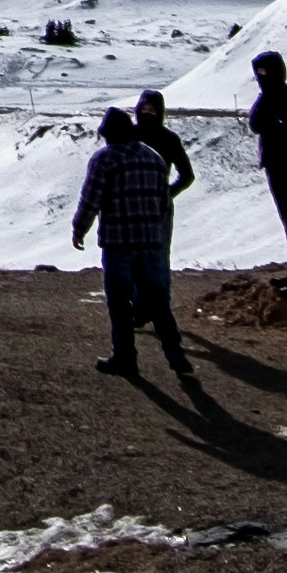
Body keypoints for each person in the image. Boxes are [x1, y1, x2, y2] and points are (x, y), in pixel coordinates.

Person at [70, 108, 191, 378]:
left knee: (119, 301)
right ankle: (176, 354)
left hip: (119, 242)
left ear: (109, 135)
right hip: (150, 242)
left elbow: (91, 199)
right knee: (158, 301)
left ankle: (125, 358)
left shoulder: (105, 160)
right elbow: (163, 201)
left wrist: (79, 229)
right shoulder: (154, 158)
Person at [247, 50, 287, 292]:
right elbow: (254, 124)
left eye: (264, 73)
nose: (261, 78)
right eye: (258, 74)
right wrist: (265, 99)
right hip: (275, 166)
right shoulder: (268, 98)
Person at [133, 90, 198, 200]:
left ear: (159, 112)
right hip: (129, 203)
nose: (146, 114)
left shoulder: (169, 139)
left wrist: (165, 196)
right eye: (143, 109)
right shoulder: (129, 134)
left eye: (152, 110)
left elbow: (187, 176)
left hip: (157, 208)